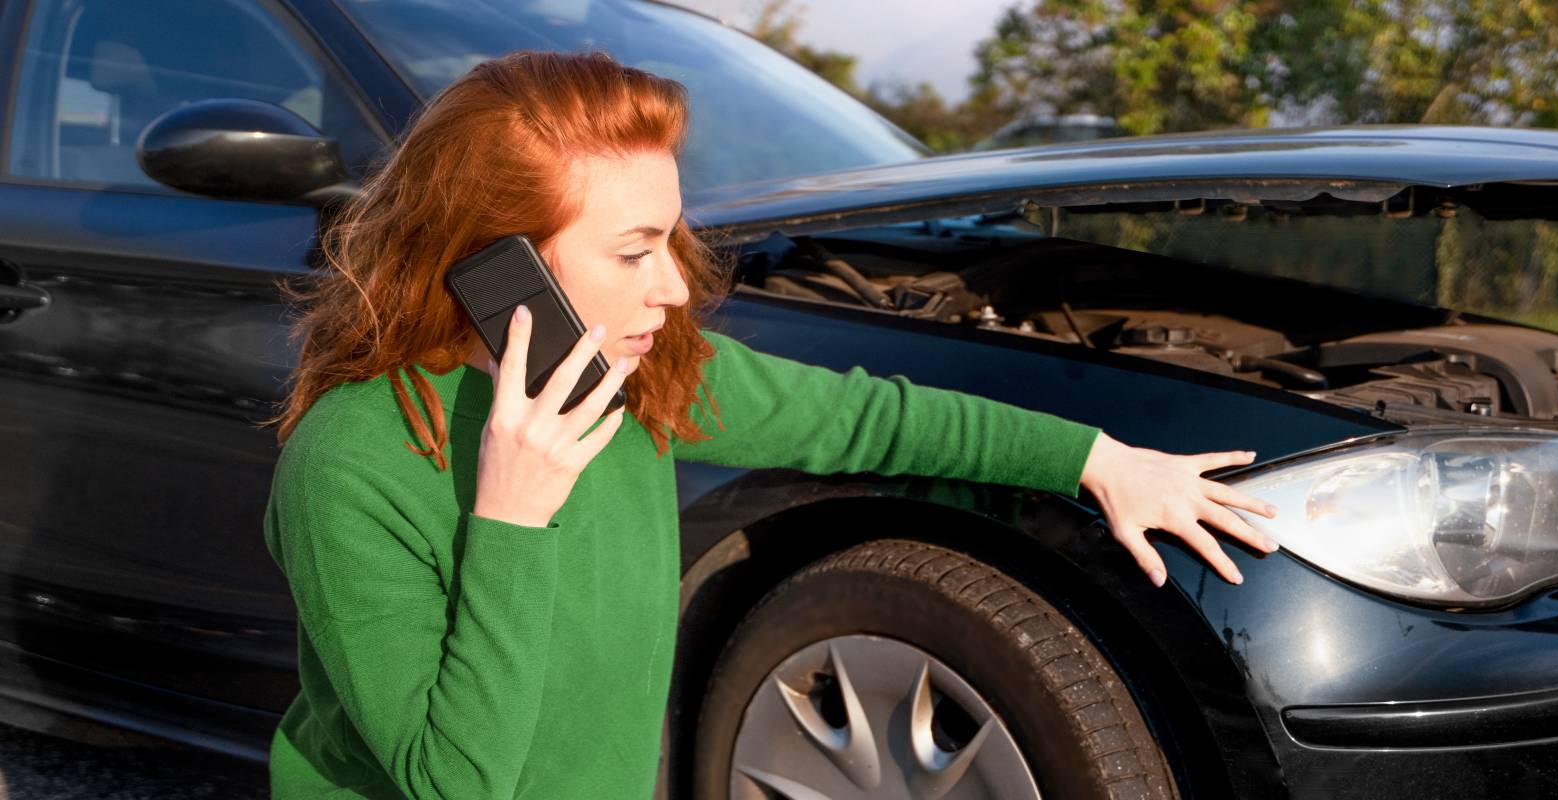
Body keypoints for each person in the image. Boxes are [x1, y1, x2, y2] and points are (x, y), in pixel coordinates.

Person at [261, 49, 1277, 799]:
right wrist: (512, 516)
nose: (672, 286)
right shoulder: (353, 462)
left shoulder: (641, 376)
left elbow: (871, 417)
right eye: (632, 251)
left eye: (675, 236)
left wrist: (1096, 459)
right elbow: (455, 780)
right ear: (498, 265)